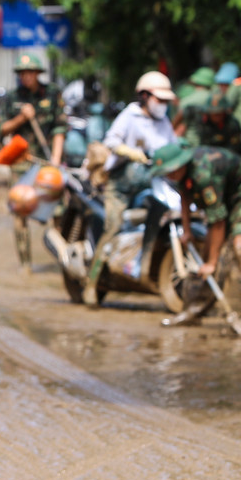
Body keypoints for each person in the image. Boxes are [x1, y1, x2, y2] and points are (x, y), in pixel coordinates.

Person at [84, 71, 179, 307]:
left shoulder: (164, 122)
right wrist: (129, 152)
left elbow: (173, 147)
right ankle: (91, 284)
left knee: (166, 216)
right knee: (113, 228)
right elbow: (111, 141)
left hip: (151, 184)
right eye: (160, 100)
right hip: (121, 186)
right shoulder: (130, 115)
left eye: (166, 101)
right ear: (145, 96)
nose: (163, 105)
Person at [149, 143, 241, 329]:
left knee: (240, 248)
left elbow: (218, 221)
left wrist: (212, 263)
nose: (169, 175)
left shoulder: (203, 175)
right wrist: (187, 230)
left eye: (171, 170)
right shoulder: (180, 173)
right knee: (206, 255)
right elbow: (185, 194)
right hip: (223, 198)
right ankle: (193, 312)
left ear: (180, 164)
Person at [0, 54, 65, 165]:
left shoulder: (51, 93)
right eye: (23, 73)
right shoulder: (12, 97)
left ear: (37, 73)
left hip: (47, 157)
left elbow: (60, 128)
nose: (26, 76)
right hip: (22, 159)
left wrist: (56, 159)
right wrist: (21, 118)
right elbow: (2, 129)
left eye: (30, 72)